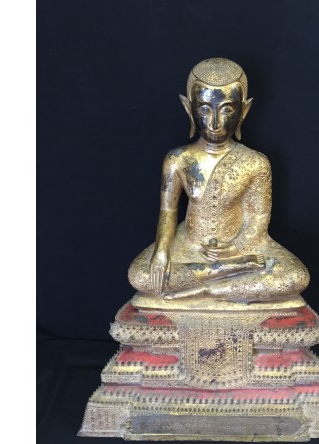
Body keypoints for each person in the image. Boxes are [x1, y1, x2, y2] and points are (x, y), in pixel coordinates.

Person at [128, 58, 309, 303]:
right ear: (188, 108)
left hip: (243, 250)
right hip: (190, 246)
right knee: (140, 275)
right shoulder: (178, 159)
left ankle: (209, 290)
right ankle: (224, 275)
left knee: (295, 277)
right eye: (204, 109)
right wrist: (161, 251)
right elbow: (168, 211)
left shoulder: (255, 162)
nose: (215, 122)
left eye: (226, 110)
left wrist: (237, 249)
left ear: (244, 110)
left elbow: (257, 217)